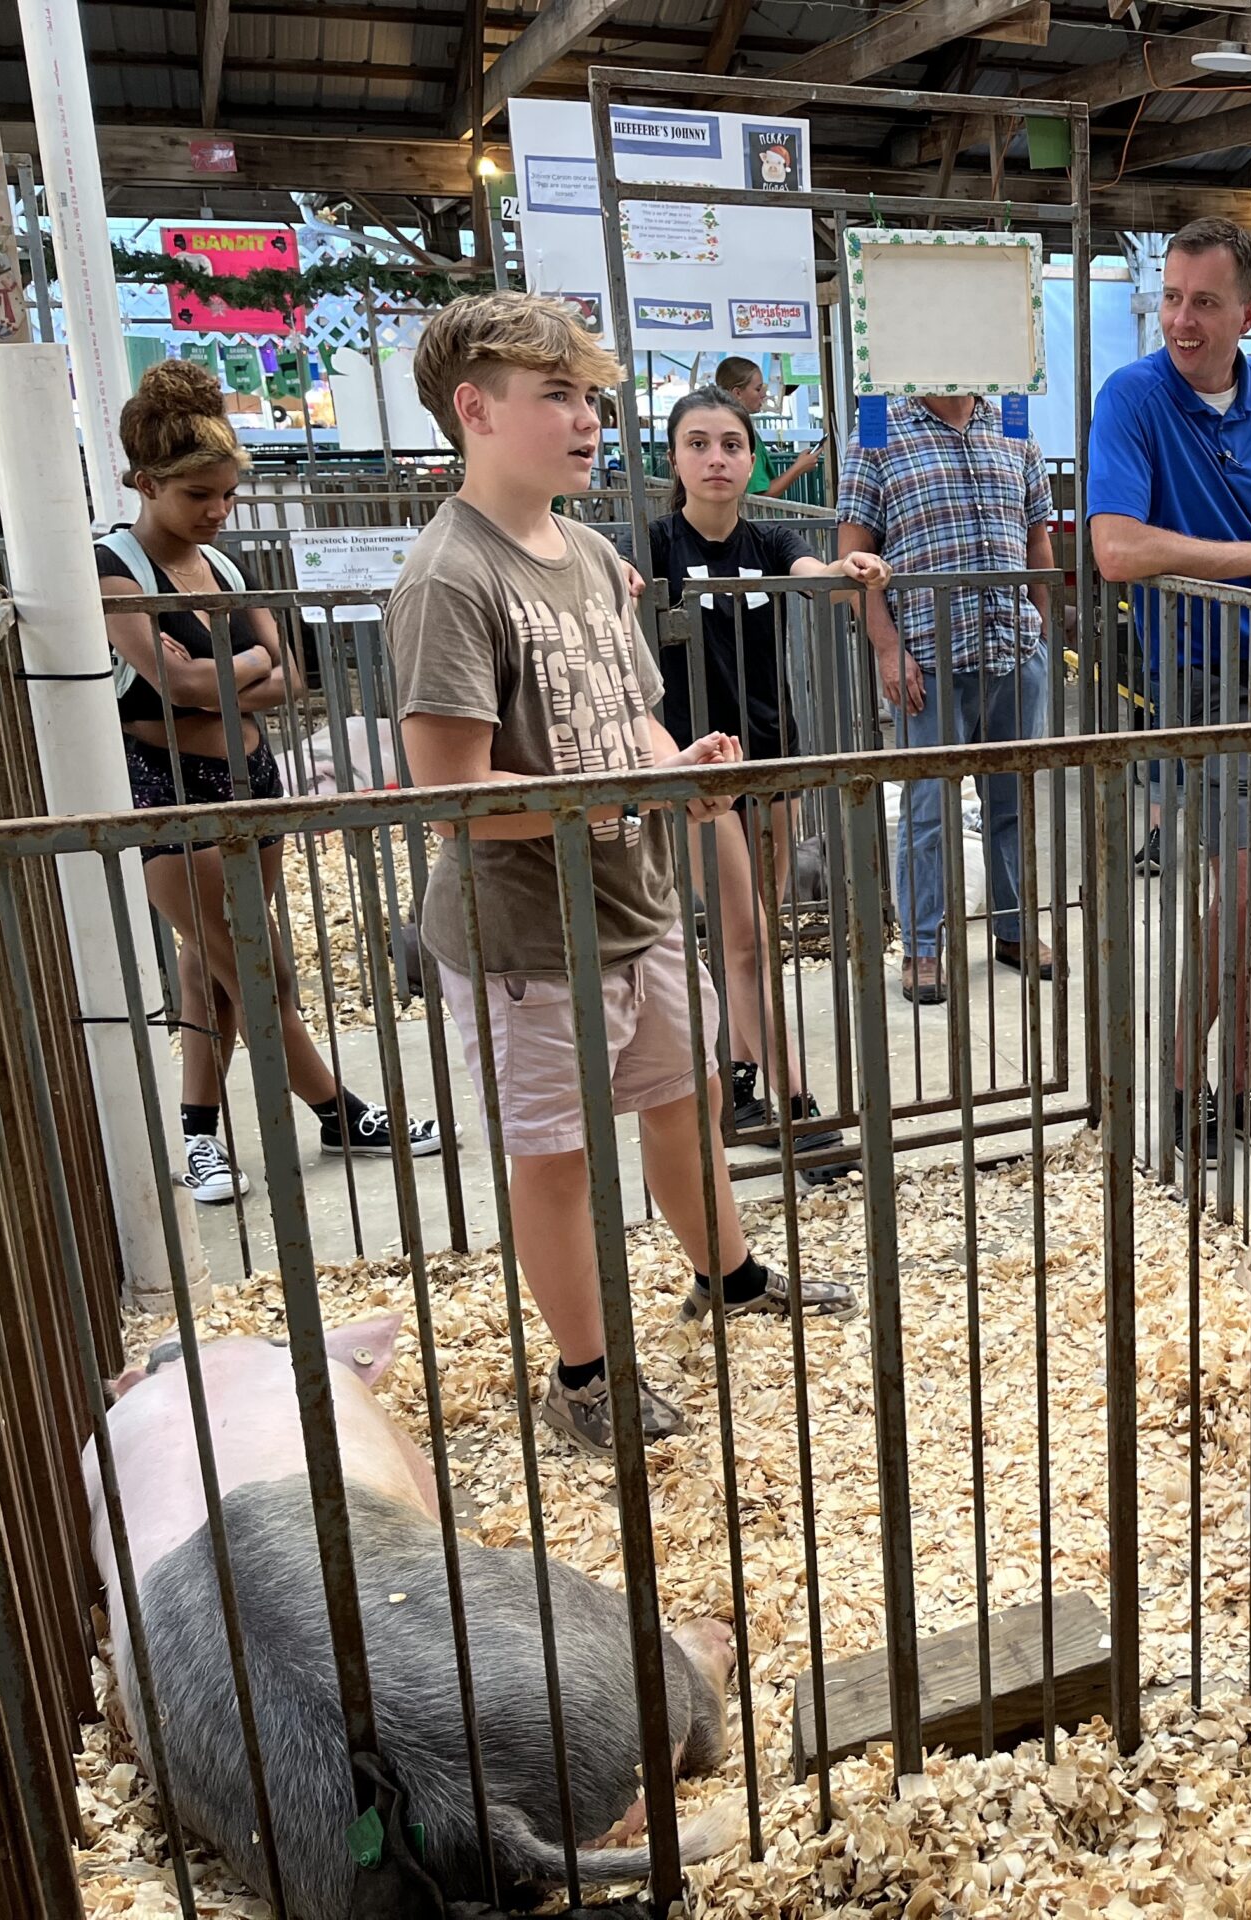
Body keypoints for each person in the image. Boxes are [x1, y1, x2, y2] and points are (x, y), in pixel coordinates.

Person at [390, 293, 854, 1461]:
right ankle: (584, 1375)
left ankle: (729, 1276)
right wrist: (632, 793)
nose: (589, 418)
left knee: (683, 1097)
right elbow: (456, 797)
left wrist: (674, 764)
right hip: (525, 936)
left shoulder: (592, 554)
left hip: (634, 901)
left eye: (591, 396)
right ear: (474, 410)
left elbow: (628, 716)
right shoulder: (449, 578)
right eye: (557, 395)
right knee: (556, 1158)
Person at [98, 359, 440, 1206]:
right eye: (197, 497)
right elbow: (175, 689)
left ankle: (200, 1137)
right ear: (144, 482)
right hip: (166, 784)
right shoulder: (113, 567)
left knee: (210, 969)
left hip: (251, 773)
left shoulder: (226, 568)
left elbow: (290, 676)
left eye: (226, 496)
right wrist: (245, 665)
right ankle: (339, 1111)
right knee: (259, 970)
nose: (217, 512)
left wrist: (227, 668)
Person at [1088, 216, 1251, 1164]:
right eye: (1170, 297)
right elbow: (1114, 547)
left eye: (1204, 302)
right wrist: (1247, 558)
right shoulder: (1133, 398)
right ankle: (1175, 1079)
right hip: (1201, 679)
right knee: (1241, 888)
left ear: (1250, 311)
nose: (1182, 320)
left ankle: (1239, 1083)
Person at [648, 384, 888, 1153]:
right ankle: (794, 1102)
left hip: (771, 751)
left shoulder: (771, 543)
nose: (716, 458)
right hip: (696, 766)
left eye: (731, 444)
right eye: (698, 444)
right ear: (675, 458)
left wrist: (846, 569)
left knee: (752, 928)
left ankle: (741, 1079)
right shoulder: (650, 546)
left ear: (753, 459)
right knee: (747, 936)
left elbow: (813, 571)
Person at [837, 392, 1058, 1002]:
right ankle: (924, 948)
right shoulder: (878, 428)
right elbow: (853, 556)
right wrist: (886, 647)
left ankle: (1012, 930)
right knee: (928, 805)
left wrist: (1041, 622)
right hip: (929, 659)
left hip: (1013, 651)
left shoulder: (1011, 425)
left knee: (1011, 801)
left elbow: (1037, 540)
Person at [712, 355, 821, 500]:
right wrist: (798, 468)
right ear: (737, 393)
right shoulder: (740, 433)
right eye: (758, 389)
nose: (763, 394)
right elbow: (761, 495)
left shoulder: (721, 426)